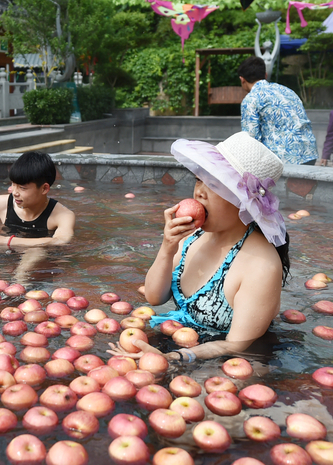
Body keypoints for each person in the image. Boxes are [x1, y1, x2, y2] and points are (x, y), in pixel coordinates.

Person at [108, 131, 290, 364]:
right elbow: (154, 297)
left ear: (243, 200)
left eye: (214, 183)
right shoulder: (193, 237)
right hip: (178, 340)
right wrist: (167, 247)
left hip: (228, 362)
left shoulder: (260, 264)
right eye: (198, 179)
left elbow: (239, 346)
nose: (199, 192)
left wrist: (175, 357)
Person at [0, 152, 75, 248]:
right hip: (4, 255)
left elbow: (60, 241)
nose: (15, 192)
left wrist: (7, 241)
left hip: (36, 262)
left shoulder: (62, 215)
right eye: (13, 184)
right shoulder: (3, 204)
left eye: (22, 188)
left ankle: (19, 279)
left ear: (44, 188)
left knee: (35, 253)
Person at [238, 56, 318, 166]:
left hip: (284, 159)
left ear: (242, 79)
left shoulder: (251, 99)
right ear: (265, 75)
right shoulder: (287, 91)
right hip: (309, 153)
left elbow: (251, 139)